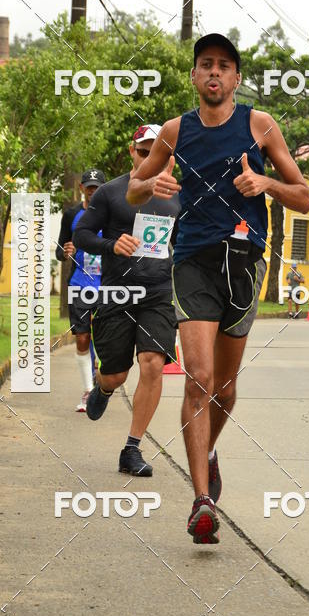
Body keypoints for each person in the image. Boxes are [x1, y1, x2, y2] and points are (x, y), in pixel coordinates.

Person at [126, 32, 309, 544]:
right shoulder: (174, 130)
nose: (214, 73)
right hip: (191, 262)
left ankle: (207, 449)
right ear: (194, 76)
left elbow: (304, 198)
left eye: (223, 66)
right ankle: (201, 501)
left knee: (225, 390)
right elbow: (135, 186)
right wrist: (154, 185)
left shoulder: (259, 126)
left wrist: (266, 184)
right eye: (205, 64)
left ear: (235, 78)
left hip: (243, 262)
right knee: (199, 378)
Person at [72, 125, 181, 477]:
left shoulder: (180, 196)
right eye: (144, 150)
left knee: (152, 363)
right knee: (116, 375)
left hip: (158, 293)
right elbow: (82, 234)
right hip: (118, 293)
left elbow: (185, 242)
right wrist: (111, 245)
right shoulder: (110, 192)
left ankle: (132, 449)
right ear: (132, 152)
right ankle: (102, 388)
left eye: (158, 151)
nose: (150, 157)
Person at [55, 168, 106, 412]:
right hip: (80, 284)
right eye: (89, 187)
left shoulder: (113, 213)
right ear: (82, 189)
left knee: (108, 340)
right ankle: (88, 391)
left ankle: (102, 381)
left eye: (97, 187)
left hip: (109, 284)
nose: (93, 191)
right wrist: (65, 252)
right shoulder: (72, 214)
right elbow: (59, 249)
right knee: (83, 337)